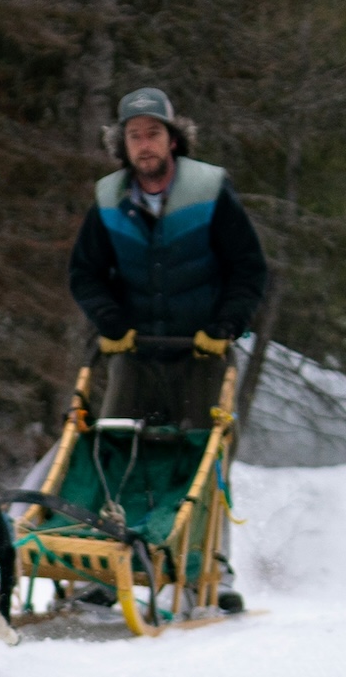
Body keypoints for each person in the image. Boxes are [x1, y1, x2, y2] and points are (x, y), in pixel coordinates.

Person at [68, 87, 268, 429]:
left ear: (173, 140)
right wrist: (110, 320)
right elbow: (85, 273)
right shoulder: (108, 201)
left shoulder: (210, 191)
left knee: (203, 452)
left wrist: (226, 325)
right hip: (135, 354)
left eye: (153, 134)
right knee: (115, 449)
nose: (145, 145)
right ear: (123, 145)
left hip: (202, 353)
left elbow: (248, 267)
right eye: (135, 136)